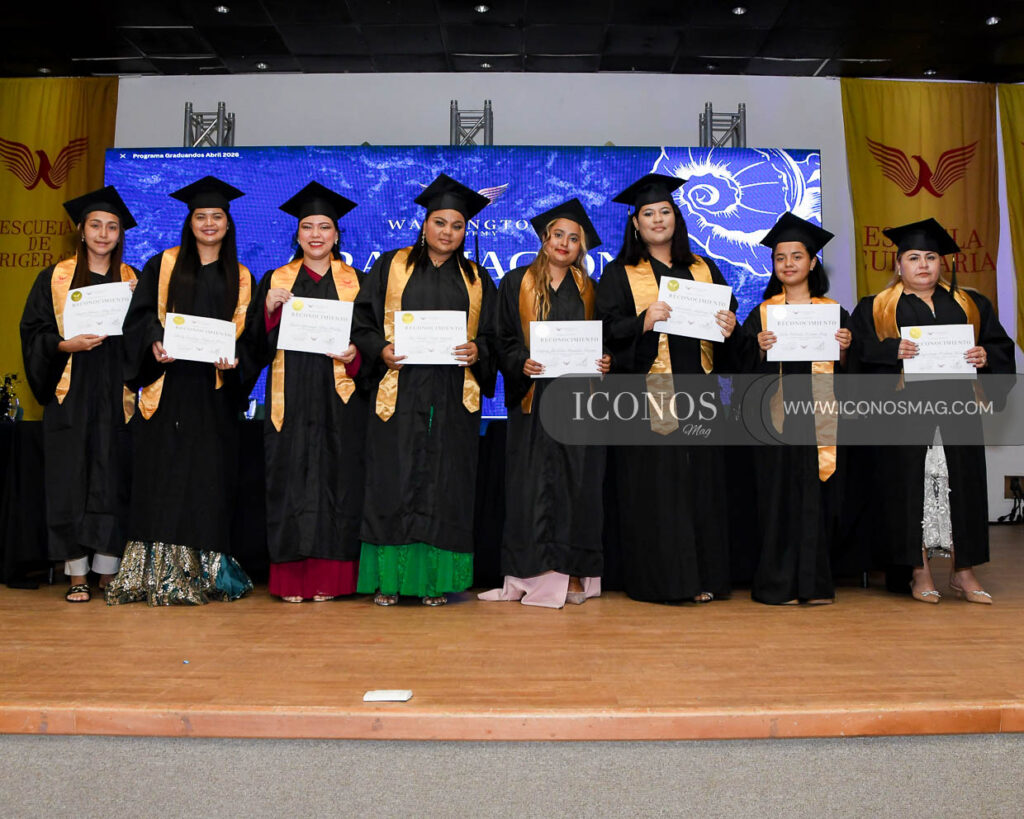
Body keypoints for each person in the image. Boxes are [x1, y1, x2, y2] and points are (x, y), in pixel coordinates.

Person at [596, 173, 748, 603]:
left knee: (701, 482)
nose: (658, 219)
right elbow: (607, 332)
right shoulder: (620, 273)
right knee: (656, 487)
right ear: (636, 224)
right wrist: (642, 321)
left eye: (665, 211)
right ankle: (661, 581)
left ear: (676, 218)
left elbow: (729, 324)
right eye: (649, 213)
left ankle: (704, 578)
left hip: (697, 389)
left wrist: (729, 326)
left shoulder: (702, 267)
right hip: (646, 393)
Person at [849, 218, 1015, 604]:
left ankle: (964, 571)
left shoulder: (970, 303)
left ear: (942, 263)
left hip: (958, 409)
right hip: (905, 412)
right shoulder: (876, 308)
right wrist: (892, 351)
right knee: (910, 488)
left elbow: (999, 346)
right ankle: (918, 570)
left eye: (930, 257)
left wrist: (985, 355)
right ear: (898, 264)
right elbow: (855, 355)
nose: (923, 265)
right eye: (913, 257)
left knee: (964, 487)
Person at [107, 176, 256, 606]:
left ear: (228, 225)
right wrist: (154, 340)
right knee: (162, 478)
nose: (209, 223)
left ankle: (206, 574)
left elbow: (249, 344)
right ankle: (153, 575)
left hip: (213, 397)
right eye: (200, 216)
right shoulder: (162, 264)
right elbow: (138, 320)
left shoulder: (242, 276)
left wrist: (235, 360)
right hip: (167, 387)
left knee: (208, 482)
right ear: (189, 223)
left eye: (217, 216)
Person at [351, 173, 497, 607]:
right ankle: (390, 582)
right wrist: (380, 350)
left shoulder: (476, 278)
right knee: (392, 481)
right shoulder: (391, 266)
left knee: (444, 483)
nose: (447, 232)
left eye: (457, 226)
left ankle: (435, 583)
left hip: (452, 397)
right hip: (400, 393)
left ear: (464, 231)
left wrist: (477, 350)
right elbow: (362, 322)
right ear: (424, 224)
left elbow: (492, 335)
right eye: (440, 223)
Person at [478, 198, 610, 608]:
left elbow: (604, 341)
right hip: (532, 402)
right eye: (558, 235)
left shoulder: (591, 289)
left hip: (576, 403)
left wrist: (606, 360)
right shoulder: (516, 281)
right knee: (530, 489)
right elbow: (501, 338)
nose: (565, 243)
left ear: (581, 246)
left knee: (576, 487)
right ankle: (527, 576)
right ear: (544, 238)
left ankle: (571, 576)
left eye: (574, 238)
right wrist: (521, 362)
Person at [241, 182, 367, 603]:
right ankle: (292, 582)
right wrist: (268, 312)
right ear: (296, 234)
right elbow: (254, 347)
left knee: (339, 483)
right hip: (290, 399)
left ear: (337, 235)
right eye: (307, 227)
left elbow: (371, 340)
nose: (316, 234)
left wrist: (356, 352)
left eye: (325, 227)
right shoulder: (274, 281)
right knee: (290, 482)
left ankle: (332, 581)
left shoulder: (358, 283)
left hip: (340, 401)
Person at [19, 187, 139, 603]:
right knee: (69, 478)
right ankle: (75, 572)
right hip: (70, 386)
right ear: (81, 230)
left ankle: (107, 571)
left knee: (110, 475)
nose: (103, 234)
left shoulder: (132, 280)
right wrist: (64, 345)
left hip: (113, 387)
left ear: (120, 232)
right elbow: (33, 331)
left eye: (111, 226)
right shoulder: (54, 278)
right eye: (95, 226)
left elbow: (143, 334)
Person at [740, 212, 851, 605]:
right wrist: (758, 347)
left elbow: (853, 374)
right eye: (780, 258)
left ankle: (815, 583)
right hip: (776, 417)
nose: (788, 264)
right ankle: (777, 585)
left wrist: (843, 350)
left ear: (812, 262)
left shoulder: (833, 313)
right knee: (777, 500)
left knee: (816, 501)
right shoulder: (762, 314)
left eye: (796, 256)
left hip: (820, 416)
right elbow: (739, 370)